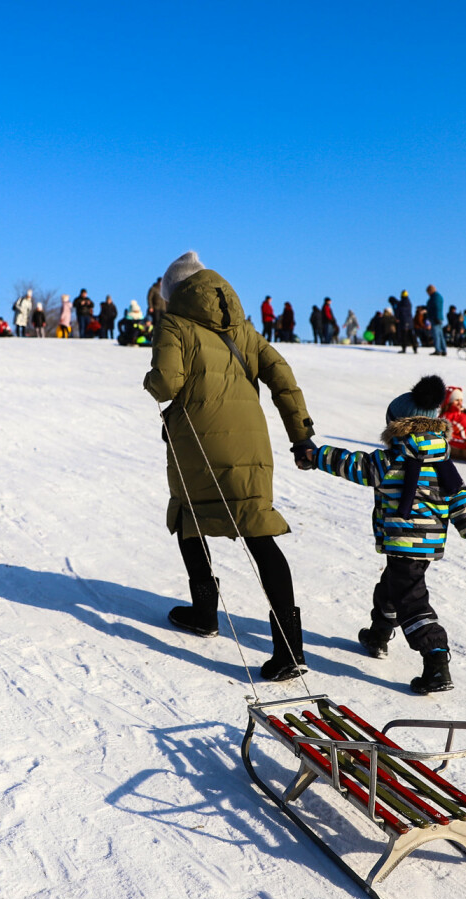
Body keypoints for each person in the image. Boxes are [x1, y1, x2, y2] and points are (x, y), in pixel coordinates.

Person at [144, 251, 317, 683]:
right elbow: (281, 374)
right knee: (258, 533)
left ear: (174, 292)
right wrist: (301, 436)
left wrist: (150, 382)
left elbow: (166, 382)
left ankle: (204, 613)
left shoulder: (174, 324)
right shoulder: (243, 327)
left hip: (201, 444)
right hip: (252, 443)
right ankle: (289, 649)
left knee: (188, 516)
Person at [305, 375, 466, 694]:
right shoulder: (441, 460)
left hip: (404, 541)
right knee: (391, 588)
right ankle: (378, 635)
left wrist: (315, 455)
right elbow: (459, 496)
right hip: (428, 544)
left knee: (411, 601)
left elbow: (353, 464)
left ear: (398, 426)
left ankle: (436, 662)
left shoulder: (393, 459)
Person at [425, 285, 447, 356]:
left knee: (436, 334)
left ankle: (438, 350)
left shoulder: (435, 297)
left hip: (435, 318)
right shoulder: (437, 297)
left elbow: (436, 308)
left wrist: (436, 317)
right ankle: (443, 349)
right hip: (438, 318)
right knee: (440, 334)